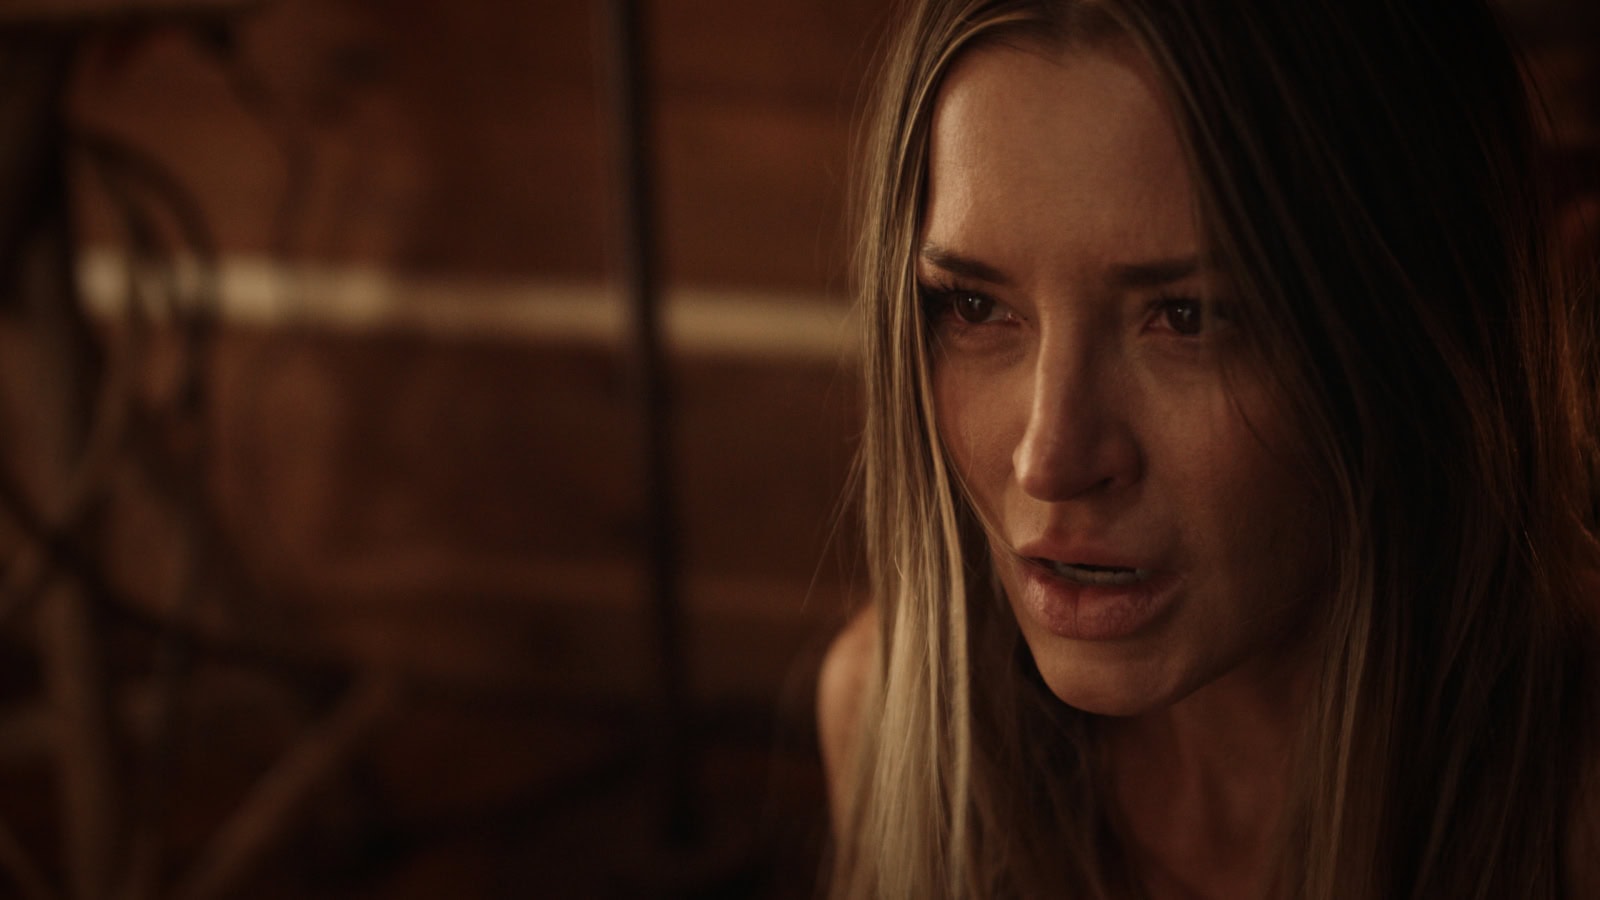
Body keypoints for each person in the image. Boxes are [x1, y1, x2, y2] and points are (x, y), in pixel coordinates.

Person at [816, 0, 1600, 897]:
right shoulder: (885, 716)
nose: (1050, 461)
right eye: (974, 306)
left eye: (1188, 317)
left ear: (1414, 339)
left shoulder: (1573, 807)